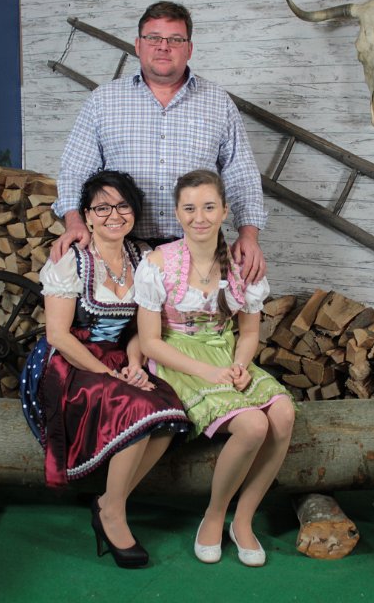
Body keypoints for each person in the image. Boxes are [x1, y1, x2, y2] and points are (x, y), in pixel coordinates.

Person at [19, 170, 191, 569]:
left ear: (134, 211)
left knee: (169, 412)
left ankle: (110, 502)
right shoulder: (72, 261)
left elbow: (140, 328)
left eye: (123, 205)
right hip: (68, 362)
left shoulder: (142, 258)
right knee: (136, 407)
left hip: (119, 357)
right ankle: (114, 515)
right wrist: (107, 372)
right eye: (102, 208)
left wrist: (134, 364)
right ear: (87, 216)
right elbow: (58, 335)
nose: (114, 215)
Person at [134, 169, 295, 567]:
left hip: (226, 353)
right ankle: (214, 514)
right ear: (177, 213)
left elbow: (249, 332)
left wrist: (240, 365)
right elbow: (151, 342)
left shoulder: (241, 266)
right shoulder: (158, 263)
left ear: (225, 211)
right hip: (178, 358)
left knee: (284, 413)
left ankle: (244, 520)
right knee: (252, 425)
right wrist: (206, 372)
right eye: (189, 209)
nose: (199, 217)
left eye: (209, 207)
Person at [51, 1, 268, 284]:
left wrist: (249, 235)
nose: (163, 47)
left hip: (198, 250)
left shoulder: (218, 102)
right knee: (124, 316)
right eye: (154, 38)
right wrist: (74, 221)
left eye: (175, 39)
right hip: (119, 248)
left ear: (189, 49)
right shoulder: (103, 101)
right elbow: (75, 171)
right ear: (138, 45)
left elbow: (242, 175)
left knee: (200, 315)